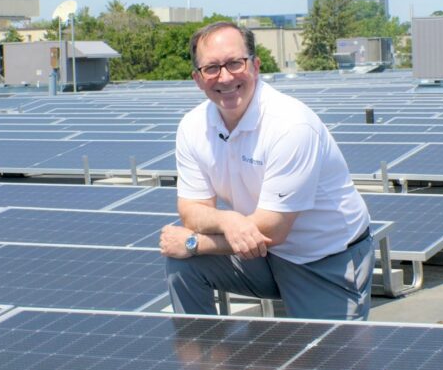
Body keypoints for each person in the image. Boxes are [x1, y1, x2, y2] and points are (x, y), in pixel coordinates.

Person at [159, 21, 373, 320]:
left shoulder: (290, 125)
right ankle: (202, 355)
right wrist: (228, 220)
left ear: (256, 66)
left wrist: (195, 243)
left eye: (235, 63)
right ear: (197, 78)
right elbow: (191, 210)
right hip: (258, 256)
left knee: (327, 358)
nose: (225, 76)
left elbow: (273, 229)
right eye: (211, 68)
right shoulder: (192, 126)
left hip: (322, 258)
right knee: (182, 264)